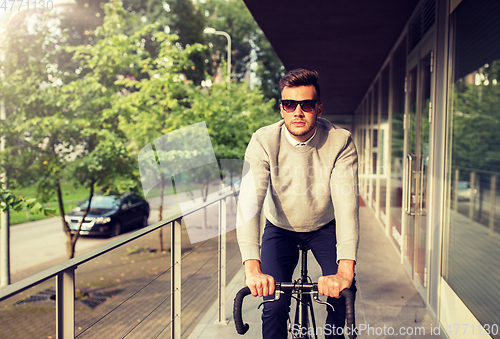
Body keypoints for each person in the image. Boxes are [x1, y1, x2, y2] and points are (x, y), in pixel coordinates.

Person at [236, 68, 359, 339]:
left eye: (307, 105)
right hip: (280, 228)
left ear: (319, 108)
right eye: (290, 104)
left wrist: (345, 270)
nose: (298, 112)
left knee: (342, 295)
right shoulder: (263, 140)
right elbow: (249, 203)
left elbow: (347, 206)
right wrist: (252, 269)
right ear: (282, 109)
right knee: (274, 303)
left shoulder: (340, 141)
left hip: (324, 227)